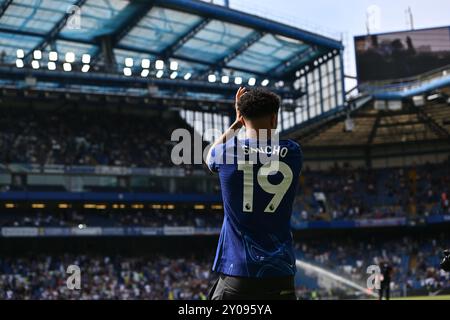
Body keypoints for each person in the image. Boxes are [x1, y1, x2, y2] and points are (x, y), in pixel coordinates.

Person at [205, 87, 303, 300]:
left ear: (242, 117)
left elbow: (209, 157)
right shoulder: (293, 152)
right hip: (281, 272)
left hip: (240, 271)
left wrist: (235, 124)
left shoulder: (226, 153)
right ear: (274, 119)